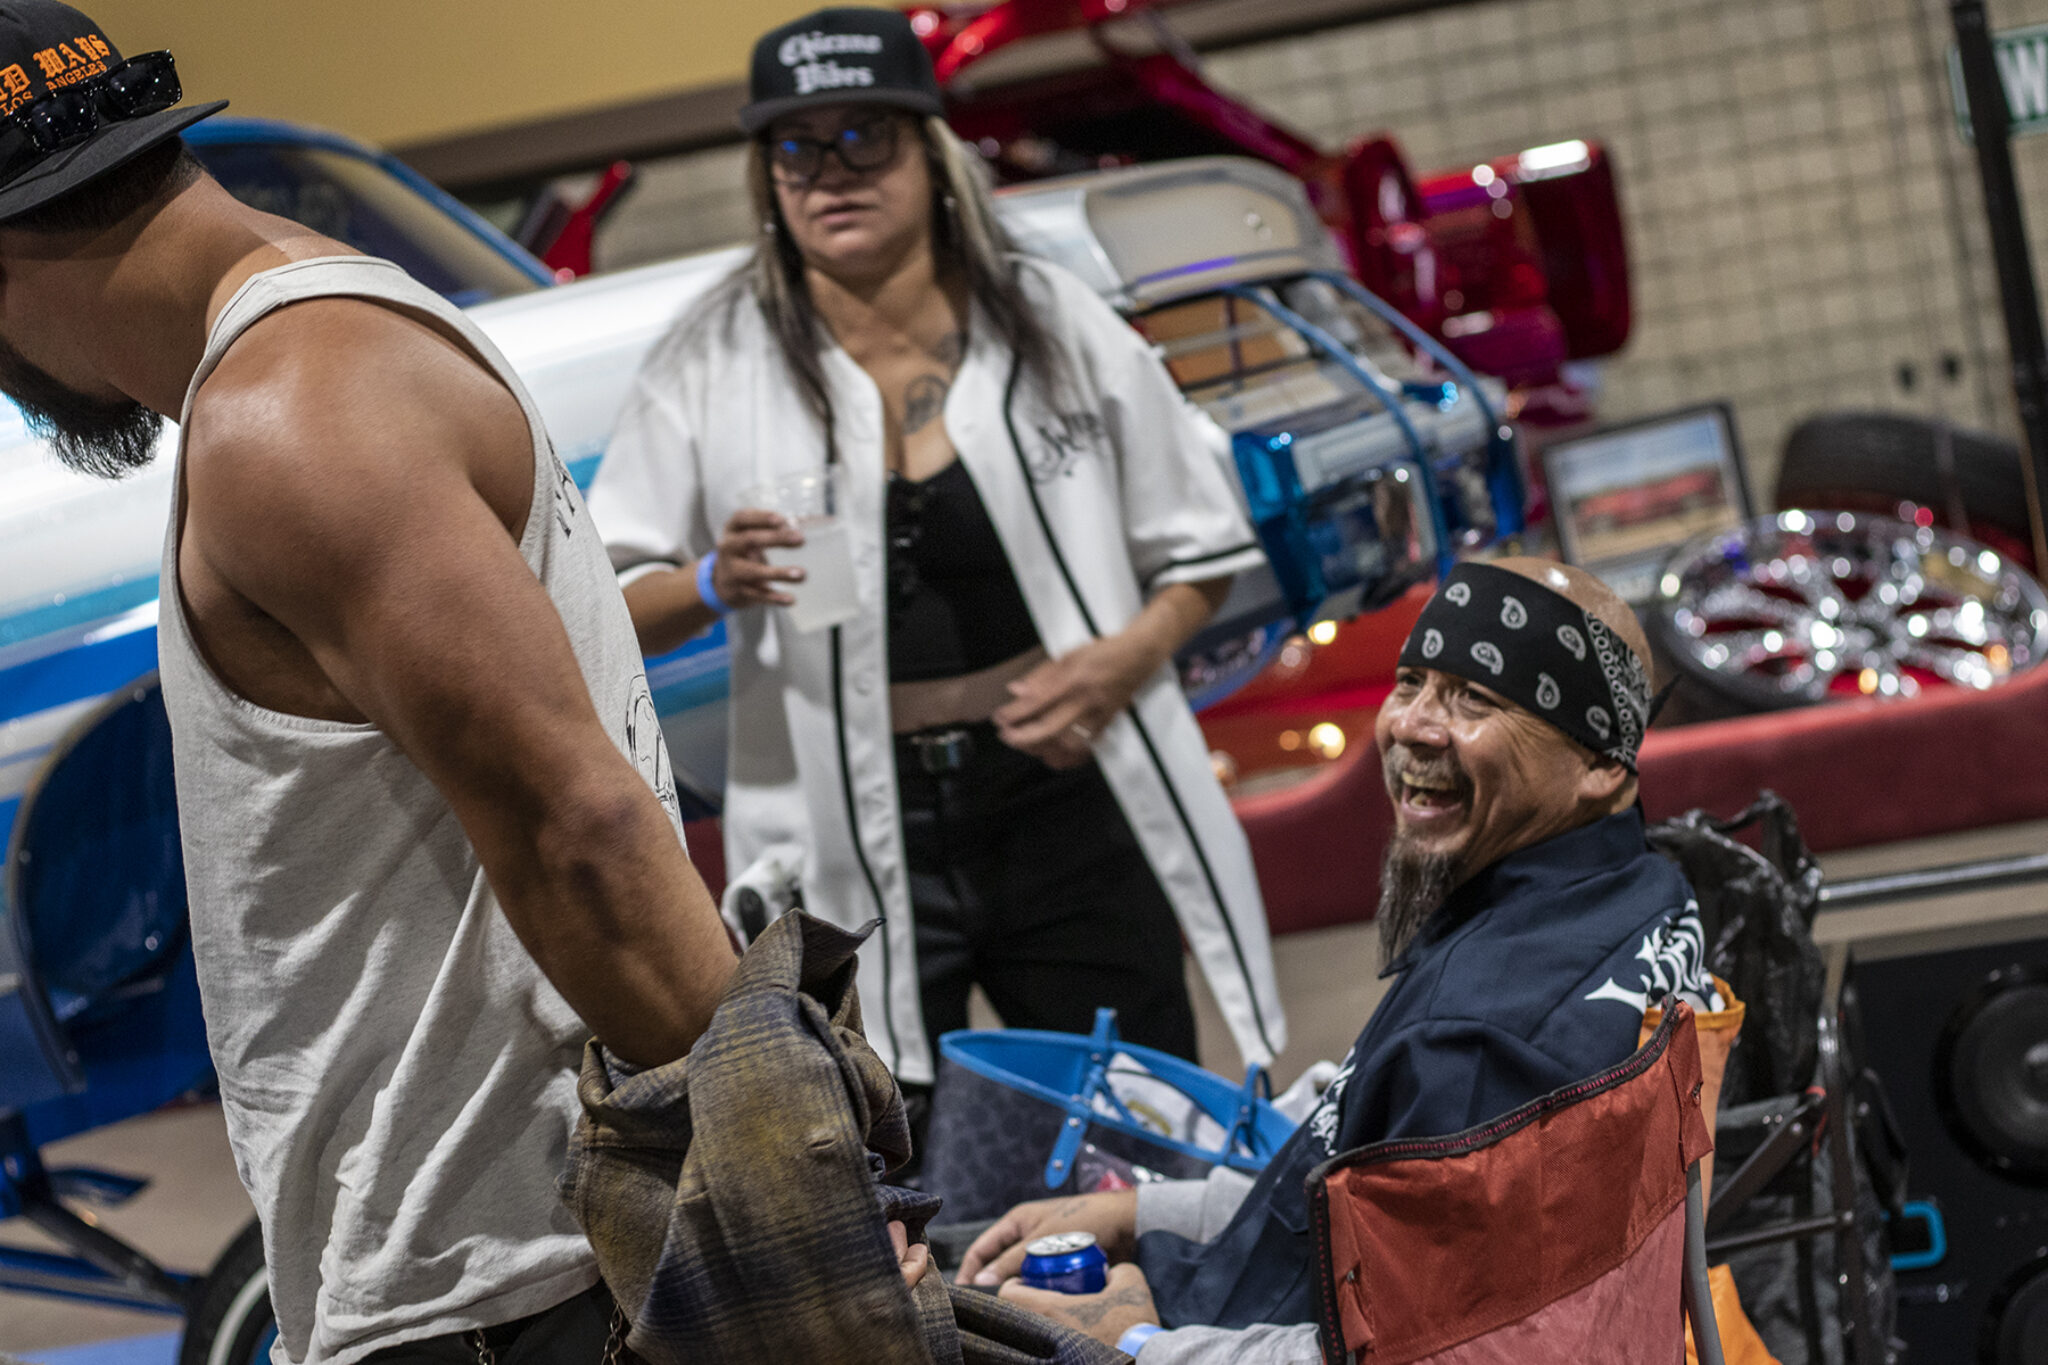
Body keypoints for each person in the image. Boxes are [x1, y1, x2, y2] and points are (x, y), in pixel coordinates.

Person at [0, 3, 771, 1358]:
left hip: (512, 1291)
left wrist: (775, 1164)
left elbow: (573, 825)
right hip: (522, 1271)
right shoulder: (336, 329)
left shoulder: (291, 418)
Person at [587, 7, 1286, 1098]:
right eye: (796, 147)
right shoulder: (713, 362)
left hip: (1063, 797)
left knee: (1130, 1110)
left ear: (929, 150)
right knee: (883, 1141)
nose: (832, 173)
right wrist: (717, 580)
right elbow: (602, 602)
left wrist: (1124, 658)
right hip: (847, 828)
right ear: (765, 174)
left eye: (865, 136)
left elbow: (1201, 546)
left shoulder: (1048, 322)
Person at [960, 558, 1724, 1362]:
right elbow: (1357, 1193)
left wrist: (1136, 1342)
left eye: (1477, 700)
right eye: (1413, 682)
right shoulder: (1645, 892)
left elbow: (1402, 1353)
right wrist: (1145, 1212)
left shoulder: (1470, 1046)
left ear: (1601, 764)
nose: (1412, 726)